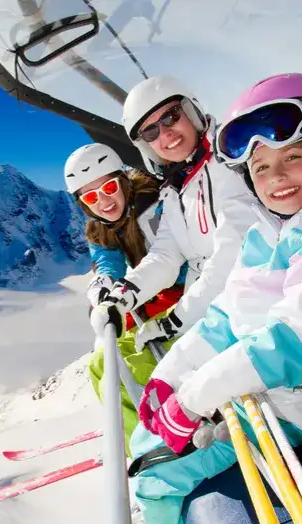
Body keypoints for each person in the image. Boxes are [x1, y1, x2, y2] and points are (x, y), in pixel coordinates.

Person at [127, 72, 302, 524]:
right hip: (256, 398)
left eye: (293, 156)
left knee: (155, 481)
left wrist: (193, 399)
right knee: (146, 447)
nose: (276, 177)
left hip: (294, 411)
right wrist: (168, 380)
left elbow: (301, 340)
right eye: (260, 167)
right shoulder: (273, 233)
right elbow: (225, 317)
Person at [90, 76, 261, 358]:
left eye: (171, 117)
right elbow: (165, 256)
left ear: (191, 111)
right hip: (209, 310)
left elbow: (235, 252)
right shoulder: (175, 188)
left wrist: (178, 319)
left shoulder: (227, 159)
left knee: (137, 372)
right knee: (118, 363)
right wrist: (122, 298)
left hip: (244, 306)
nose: (165, 134)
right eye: (150, 132)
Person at [64, 143, 186, 448]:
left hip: (182, 294)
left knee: (129, 366)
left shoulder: (153, 205)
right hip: (147, 299)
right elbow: (106, 266)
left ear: (123, 180)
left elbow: (170, 258)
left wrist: (127, 296)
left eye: (109, 187)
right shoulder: (100, 229)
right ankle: (139, 439)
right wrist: (102, 293)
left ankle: (158, 439)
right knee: (100, 364)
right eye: (91, 197)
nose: (103, 201)